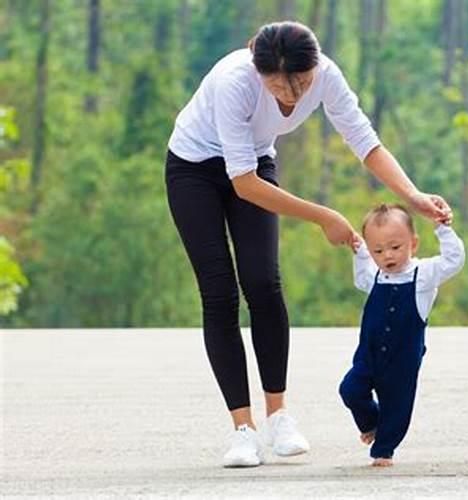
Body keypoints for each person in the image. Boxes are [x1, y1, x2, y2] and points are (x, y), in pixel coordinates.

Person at [164, 21, 453, 468]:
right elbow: (242, 184)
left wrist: (412, 196)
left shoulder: (327, 76)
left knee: (263, 282)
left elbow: (364, 141)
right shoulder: (234, 81)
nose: (291, 95)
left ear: (315, 67)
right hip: (194, 169)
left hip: (255, 162)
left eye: (300, 82)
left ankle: (278, 415)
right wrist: (325, 217)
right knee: (219, 292)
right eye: (278, 85)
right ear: (258, 68)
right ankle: (243, 429)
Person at [339, 204, 465, 466]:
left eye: (395, 247)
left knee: (397, 405)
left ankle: (384, 450)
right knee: (350, 389)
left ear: (413, 244)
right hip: (369, 355)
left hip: (402, 358)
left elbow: (453, 261)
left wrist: (443, 229)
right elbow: (361, 276)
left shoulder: (424, 275)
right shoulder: (374, 276)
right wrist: (360, 252)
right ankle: (371, 422)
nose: (387, 256)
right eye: (378, 251)